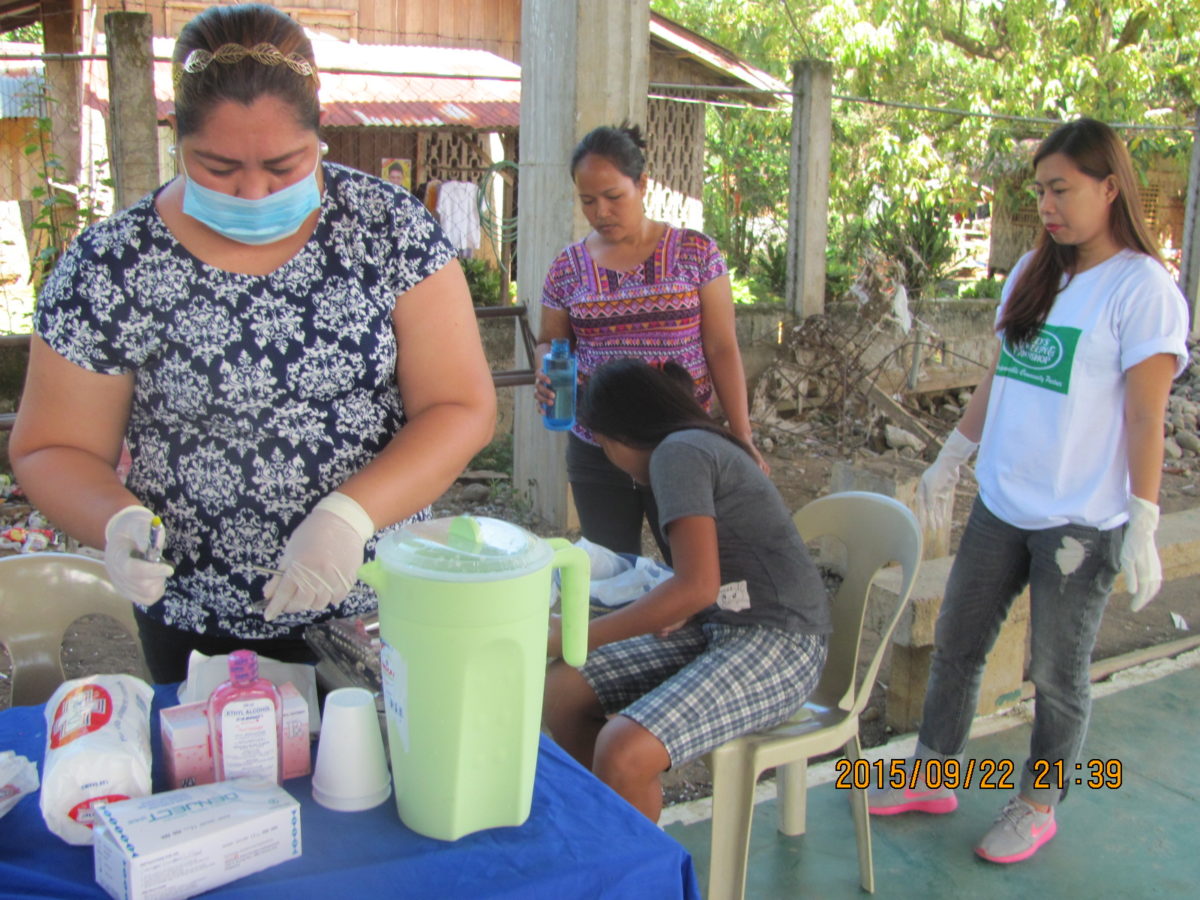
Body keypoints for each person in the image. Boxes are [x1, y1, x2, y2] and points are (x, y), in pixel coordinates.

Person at [9, 3, 495, 683]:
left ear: (319, 135)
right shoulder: (112, 265)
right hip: (196, 619)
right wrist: (115, 521)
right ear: (177, 139)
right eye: (217, 167)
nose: (253, 191)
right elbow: (52, 446)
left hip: (379, 600)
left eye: (283, 164)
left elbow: (460, 406)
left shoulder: (388, 231)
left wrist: (349, 516)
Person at [867, 118, 1189, 864]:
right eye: (1040, 190)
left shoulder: (1143, 289)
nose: (1046, 205)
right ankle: (933, 773)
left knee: (1056, 672)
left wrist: (1143, 518)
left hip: (1081, 522)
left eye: (1061, 189)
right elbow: (1002, 375)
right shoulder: (1033, 274)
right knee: (958, 641)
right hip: (1003, 503)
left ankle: (1039, 803)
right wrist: (951, 456)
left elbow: (1146, 415)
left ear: (1110, 189)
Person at [542, 359, 830, 821]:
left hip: (783, 640)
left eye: (601, 443)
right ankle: (607, 830)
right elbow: (702, 585)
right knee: (563, 690)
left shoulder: (679, 454)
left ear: (616, 435)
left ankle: (637, 859)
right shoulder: (688, 446)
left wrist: (574, 636)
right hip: (721, 623)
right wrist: (684, 604)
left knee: (623, 750)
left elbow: (696, 586)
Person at [535, 124, 764, 558]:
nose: (601, 212)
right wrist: (545, 371)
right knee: (610, 570)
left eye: (613, 196)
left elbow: (721, 348)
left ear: (641, 184)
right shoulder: (566, 268)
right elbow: (550, 341)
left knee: (694, 568)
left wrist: (741, 434)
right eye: (588, 200)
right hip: (598, 445)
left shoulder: (696, 253)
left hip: (681, 444)